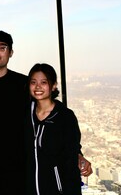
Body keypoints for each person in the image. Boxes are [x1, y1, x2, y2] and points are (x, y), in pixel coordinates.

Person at [0, 30, 92, 194]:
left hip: (21, 174)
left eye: (2, 48)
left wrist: (77, 154)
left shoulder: (24, 85)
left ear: (11, 53)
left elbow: (54, 116)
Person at [24, 63, 82, 194]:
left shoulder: (65, 117)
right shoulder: (25, 115)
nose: (38, 86)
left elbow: (72, 157)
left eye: (43, 82)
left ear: (54, 85)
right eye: (33, 82)